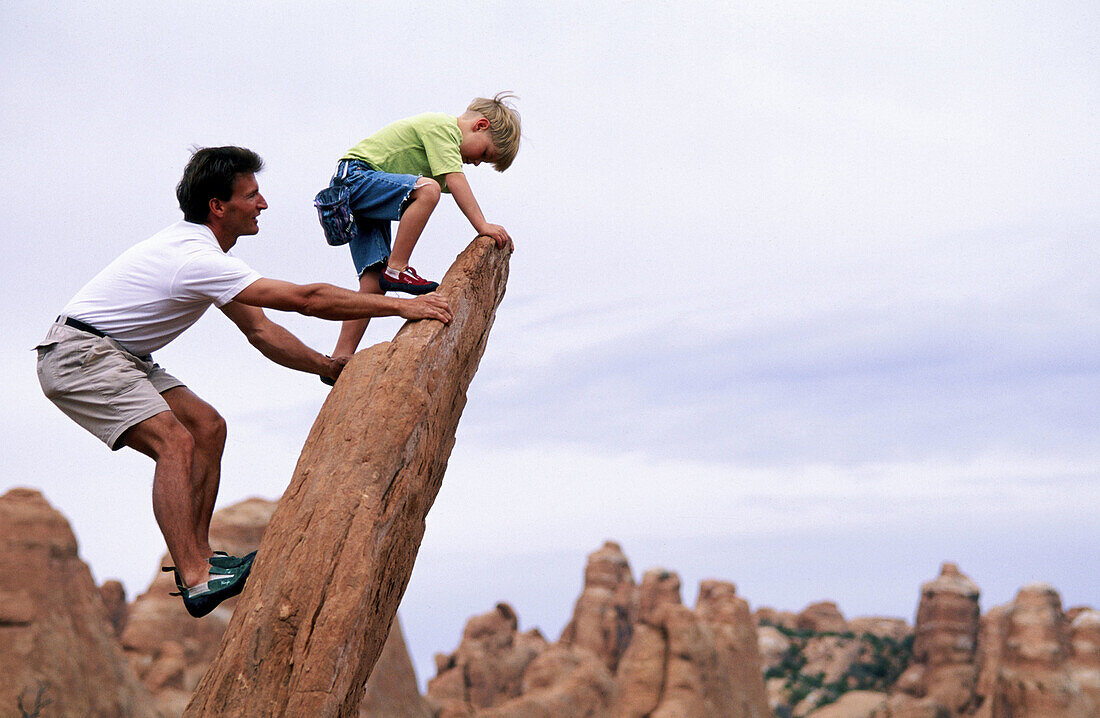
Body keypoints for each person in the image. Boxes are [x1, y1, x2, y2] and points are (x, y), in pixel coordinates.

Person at [34, 146, 452, 618]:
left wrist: (324, 365)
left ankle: (203, 559)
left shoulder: (202, 256)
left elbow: (261, 331)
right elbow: (305, 299)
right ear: (219, 206)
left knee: (208, 427)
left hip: (117, 354)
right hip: (80, 355)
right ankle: (195, 576)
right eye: (252, 195)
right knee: (174, 442)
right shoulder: (195, 258)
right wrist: (401, 306)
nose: (263, 204)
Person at [316, 92, 520, 359]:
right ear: (480, 126)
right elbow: (456, 182)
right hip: (356, 176)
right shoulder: (444, 128)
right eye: (484, 153)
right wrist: (482, 225)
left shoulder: (443, 153)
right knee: (427, 190)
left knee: (373, 284)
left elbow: (455, 187)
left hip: (365, 196)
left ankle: (340, 356)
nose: (478, 162)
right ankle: (398, 268)